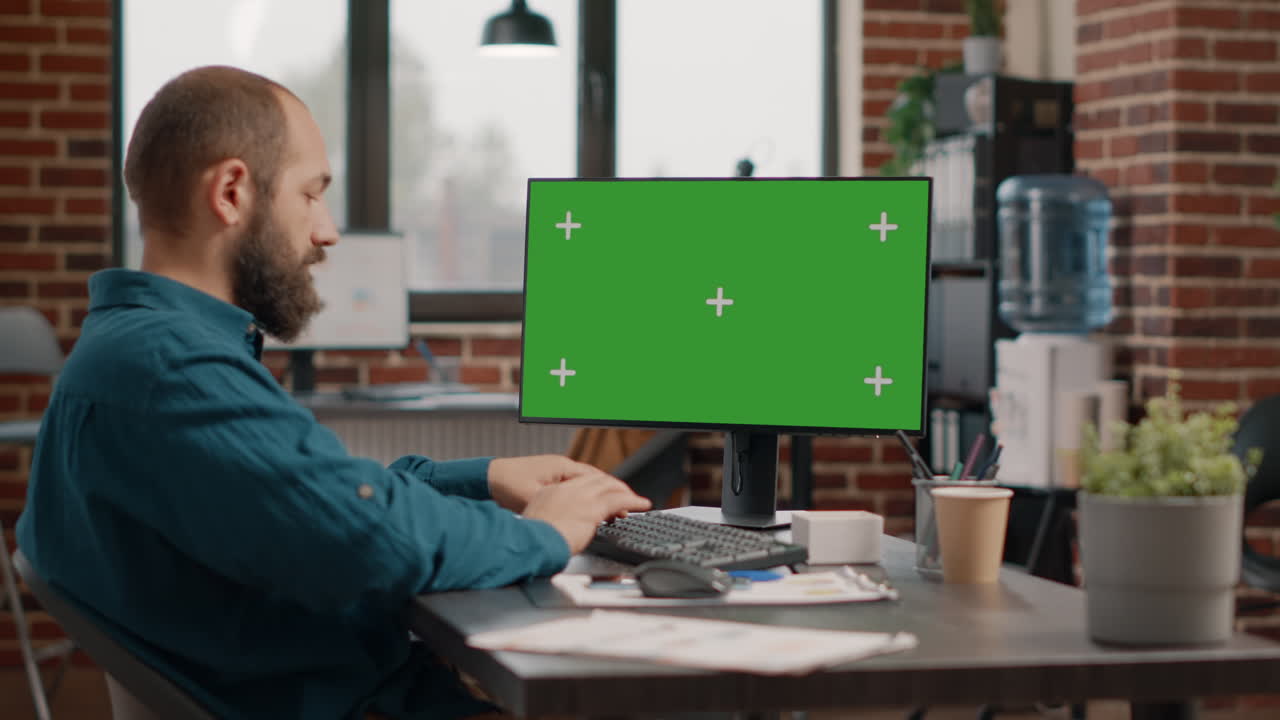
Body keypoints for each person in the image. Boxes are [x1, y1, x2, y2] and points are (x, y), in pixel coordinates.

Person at [17, 65, 651, 720]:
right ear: (232, 192)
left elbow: (324, 500)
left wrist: (484, 477)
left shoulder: (127, 350)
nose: (327, 231)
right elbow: (377, 540)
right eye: (311, 194)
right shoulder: (172, 369)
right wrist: (546, 532)